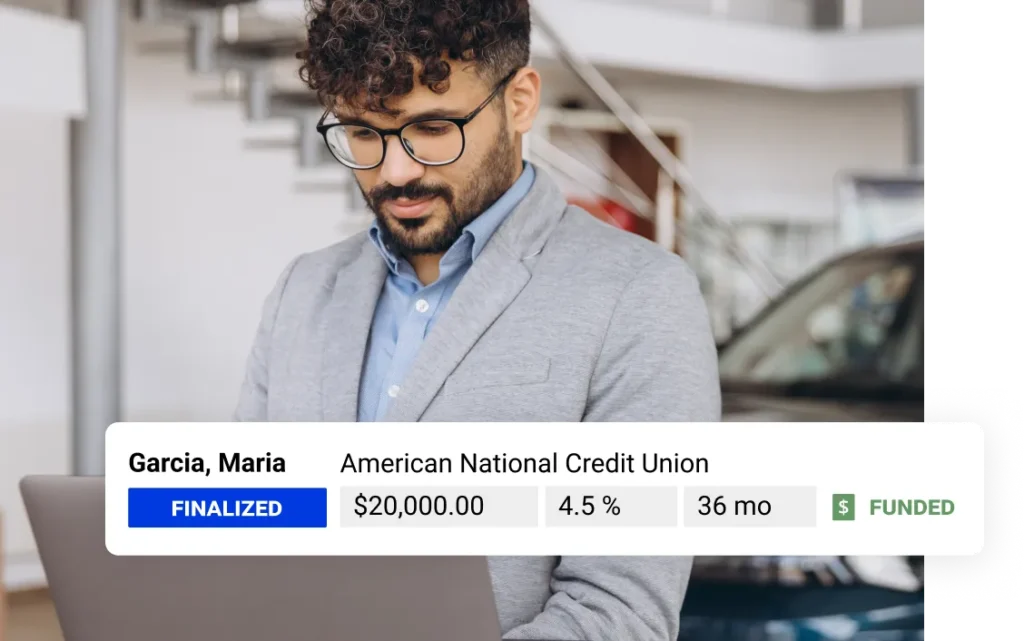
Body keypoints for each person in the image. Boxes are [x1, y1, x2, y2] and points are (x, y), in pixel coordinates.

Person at [234, 1, 721, 639]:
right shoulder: (302, 291)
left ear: (519, 102)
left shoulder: (640, 297)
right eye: (363, 133)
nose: (395, 172)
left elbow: (620, 612)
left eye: (433, 128)